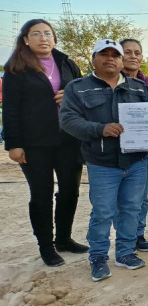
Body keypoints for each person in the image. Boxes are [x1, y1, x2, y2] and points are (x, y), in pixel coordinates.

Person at [61, 40, 148, 281]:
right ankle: (98, 257)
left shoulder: (139, 87)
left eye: (115, 55)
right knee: (102, 211)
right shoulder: (78, 88)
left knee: (132, 208)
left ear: (122, 61)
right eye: (104, 54)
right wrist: (100, 128)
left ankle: (125, 252)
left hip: (137, 161)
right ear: (94, 59)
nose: (110, 59)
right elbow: (68, 120)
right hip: (102, 163)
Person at [3, 19, 87, 266]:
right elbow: (10, 109)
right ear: (26, 40)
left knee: (70, 191)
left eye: (48, 33)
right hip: (34, 143)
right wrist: (13, 144)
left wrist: (70, 91)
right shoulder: (16, 68)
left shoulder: (68, 64)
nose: (43, 38)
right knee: (42, 194)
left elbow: (83, 93)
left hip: (68, 140)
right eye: (36, 34)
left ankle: (64, 239)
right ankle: (46, 246)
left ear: (55, 39)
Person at [120, 38, 148, 253]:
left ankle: (138, 233)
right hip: (115, 149)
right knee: (117, 197)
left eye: (137, 52)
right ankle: (124, 236)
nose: (133, 56)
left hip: (143, 150)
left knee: (141, 195)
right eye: (128, 52)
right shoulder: (109, 82)